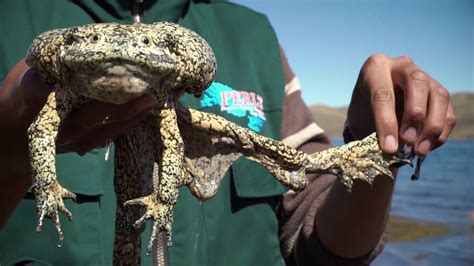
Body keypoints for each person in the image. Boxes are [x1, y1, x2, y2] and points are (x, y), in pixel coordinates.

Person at [0, 0, 455, 265]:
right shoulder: (12, 21)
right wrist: (8, 148)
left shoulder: (251, 35)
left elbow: (317, 245)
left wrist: (377, 138)